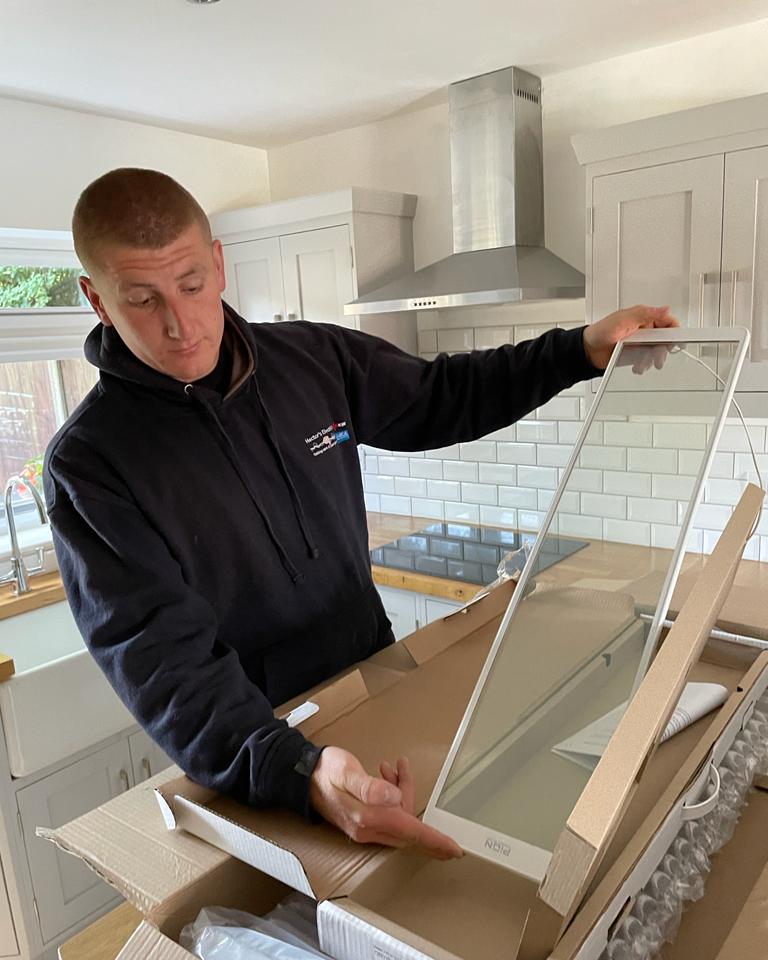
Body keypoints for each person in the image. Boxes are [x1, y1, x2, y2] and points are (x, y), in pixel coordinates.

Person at [43, 168, 678, 861]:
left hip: (375, 674)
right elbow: (165, 668)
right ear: (96, 300)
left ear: (219, 264)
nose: (179, 323)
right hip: (261, 742)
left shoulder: (312, 359)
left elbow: (445, 394)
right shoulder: (91, 465)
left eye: (192, 285)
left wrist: (578, 349)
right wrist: (299, 771)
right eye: (141, 299)